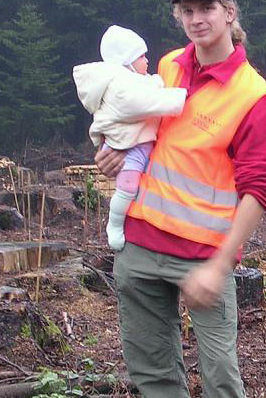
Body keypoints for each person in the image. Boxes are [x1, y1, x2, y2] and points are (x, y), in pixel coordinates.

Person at [94, 0, 266, 398]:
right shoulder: (169, 68)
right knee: (153, 368)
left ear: (230, 12)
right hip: (139, 245)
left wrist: (220, 263)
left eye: (207, 7)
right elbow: (137, 132)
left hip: (204, 258)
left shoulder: (254, 96)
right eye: (186, 9)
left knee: (221, 369)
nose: (197, 18)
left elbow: (258, 190)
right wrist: (109, 152)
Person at [73, 25, 187, 250]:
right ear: (127, 62)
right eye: (141, 56)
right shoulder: (121, 87)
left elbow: (151, 88)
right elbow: (142, 102)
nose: (147, 61)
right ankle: (115, 224)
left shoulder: (136, 81)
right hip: (128, 145)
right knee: (128, 186)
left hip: (138, 144)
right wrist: (180, 98)